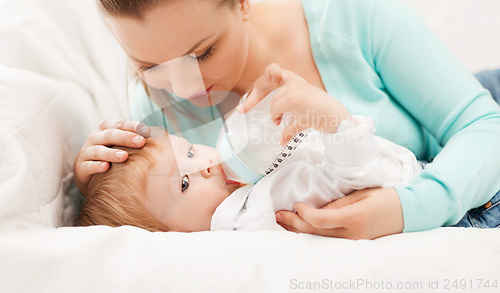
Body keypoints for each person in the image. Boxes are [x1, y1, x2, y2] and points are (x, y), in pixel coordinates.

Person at [74, 0, 500, 239]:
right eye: (150, 66)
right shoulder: (154, 109)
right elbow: (156, 206)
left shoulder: (350, 14)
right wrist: (95, 184)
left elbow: (483, 125)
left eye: (202, 54)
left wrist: (410, 208)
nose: (185, 89)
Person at [78, 64, 423, 232]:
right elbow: (349, 179)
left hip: (425, 171)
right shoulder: (255, 210)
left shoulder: (240, 173)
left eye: (189, 152)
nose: (206, 165)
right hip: (444, 203)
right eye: (184, 183)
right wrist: (334, 121)